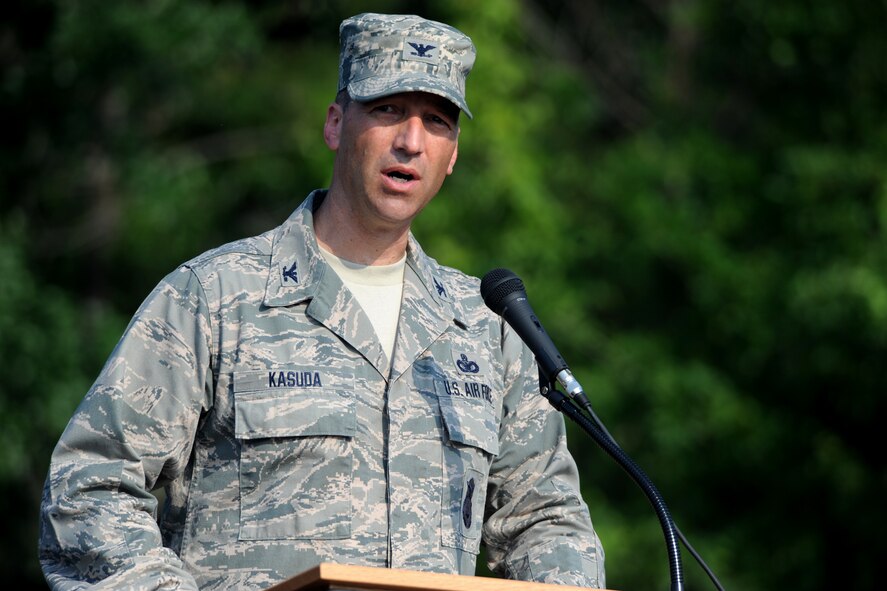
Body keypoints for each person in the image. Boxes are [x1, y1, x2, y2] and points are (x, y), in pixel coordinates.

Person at [39, 13, 606, 591]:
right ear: (336, 124)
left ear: (453, 154)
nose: (411, 141)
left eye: (436, 122)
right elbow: (91, 486)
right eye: (387, 110)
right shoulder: (216, 297)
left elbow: (546, 521)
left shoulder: (487, 327)